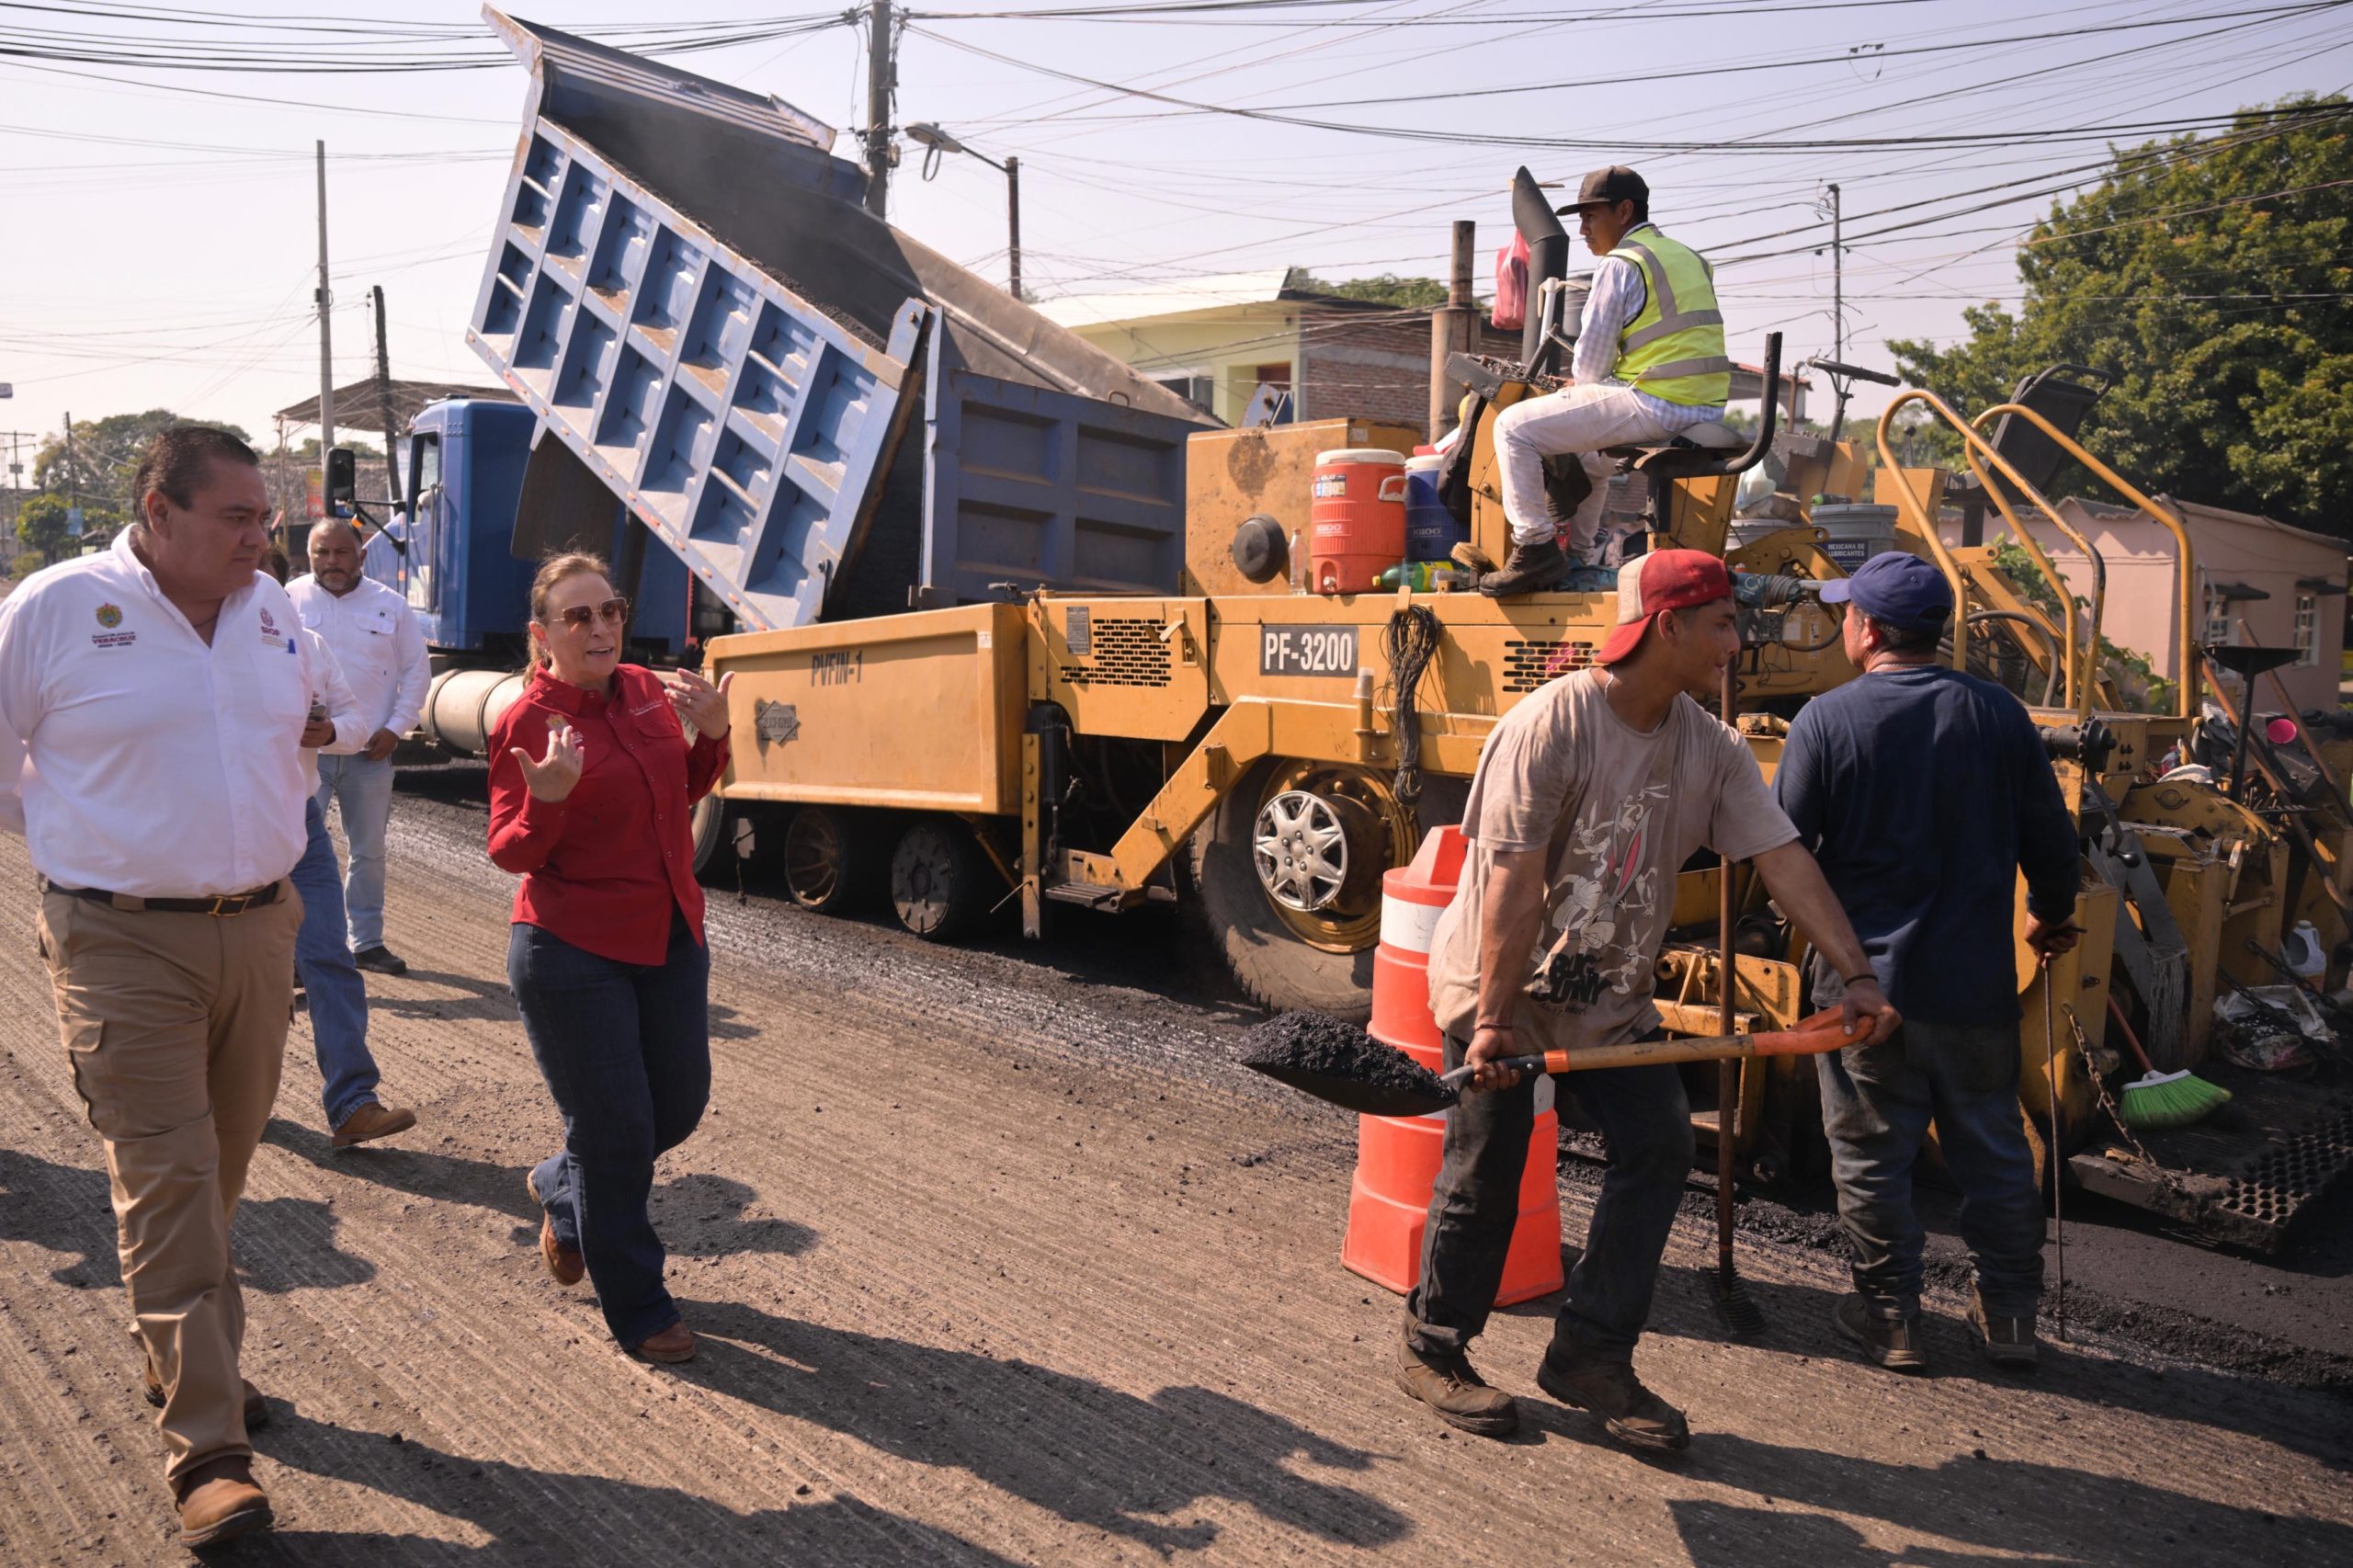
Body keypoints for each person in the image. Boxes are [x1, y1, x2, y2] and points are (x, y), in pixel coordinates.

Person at [1401, 548, 1900, 1450]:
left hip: (1610, 999)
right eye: (1721, 623)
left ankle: (1589, 1352)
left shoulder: (1712, 747)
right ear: (1666, 625)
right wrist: (1493, 1021)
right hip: (1499, 991)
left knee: (1661, 1145)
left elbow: (1783, 860)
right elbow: (1512, 881)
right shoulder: (1551, 724)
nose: (1735, 643)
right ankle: (1433, 1346)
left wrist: (1857, 974)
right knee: (1487, 1167)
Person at [0, 426, 332, 1549]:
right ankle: (210, 1451)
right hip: (119, 940)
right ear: (158, 511)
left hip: (259, 931)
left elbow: (298, 734)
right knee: (173, 1180)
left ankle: (174, 1349)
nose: (261, 537)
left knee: (221, 1168)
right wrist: (98, 846)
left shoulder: (271, 609)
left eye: (264, 517)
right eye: (237, 517)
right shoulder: (55, 608)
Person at [1774, 551, 2082, 1372]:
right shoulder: (2000, 714)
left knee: (1872, 1159)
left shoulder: (1825, 721)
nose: (1845, 623)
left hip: (1864, 991)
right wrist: (2052, 913)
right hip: (1974, 988)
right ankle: (2010, 1316)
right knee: (1995, 1153)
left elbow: (1785, 853)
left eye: (1848, 613)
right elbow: (2052, 838)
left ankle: (1892, 1318)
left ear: (1869, 629)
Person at [486, 553, 733, 1365]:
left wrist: (715, 736)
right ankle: (638, 1306)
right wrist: (547, 803)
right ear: (542, 635)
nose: (600, 628)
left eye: (610, 610)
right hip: (572, 949)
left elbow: (679, 792)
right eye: (578, 616)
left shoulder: (646, 692)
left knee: (677, 1108)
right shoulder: (527, 720)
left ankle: (563, 1185)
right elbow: (510, 850)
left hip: (669, 934)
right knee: (616, 1130)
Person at [1482, 166, 1732, 597]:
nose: (1582, 229)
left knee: (1512, 428)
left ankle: (1534, 547)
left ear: (1625, 211)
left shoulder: (1622, 263)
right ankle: (1577, 557)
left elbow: (1592, 365)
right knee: (1589, 461)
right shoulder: (1691, 258)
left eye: (1590, 217)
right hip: (1705, 408)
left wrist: (1579, 386)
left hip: (1658, 401)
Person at [263, 542, 420, 1149]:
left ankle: (353, 1103)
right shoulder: (188, 653)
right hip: (218, 829)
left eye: (266, 584)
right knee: (240, 972)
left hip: (298, 824)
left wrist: (330, 730)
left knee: (329, 956)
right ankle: (229, 1094)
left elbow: (352, 721)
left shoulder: (307, 647)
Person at [290, 517, 430, 975]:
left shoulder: (391, 606)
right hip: (305, 757)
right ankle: (297, 951)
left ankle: (366, 942)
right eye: (322, 552)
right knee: (297, 851)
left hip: (370, 752)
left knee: (368, 852)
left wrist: (396, 728)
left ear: (362, 555)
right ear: (309, 556)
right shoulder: (287, 601)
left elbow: (417, 672)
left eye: (341, 552)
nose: (331, 561)